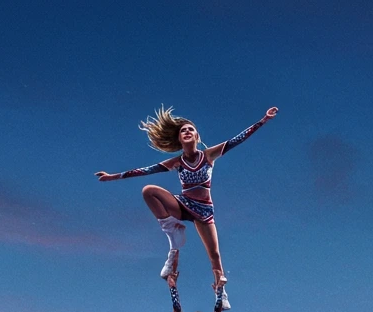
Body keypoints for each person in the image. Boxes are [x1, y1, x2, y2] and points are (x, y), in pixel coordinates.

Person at [95, 106, 279, 301]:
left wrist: (263, 120)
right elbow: (144, 170)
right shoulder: (177, 162)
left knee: (214, 254)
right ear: (180, 139)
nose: (187, 131)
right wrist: (112, 177)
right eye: (183, 130)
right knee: (149, 191)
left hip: (204, 210)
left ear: (197, 136)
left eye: (191, 129)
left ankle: (220, 292)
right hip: (183, 204)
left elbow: (237, 140)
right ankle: (172, 230)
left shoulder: (208, 155)